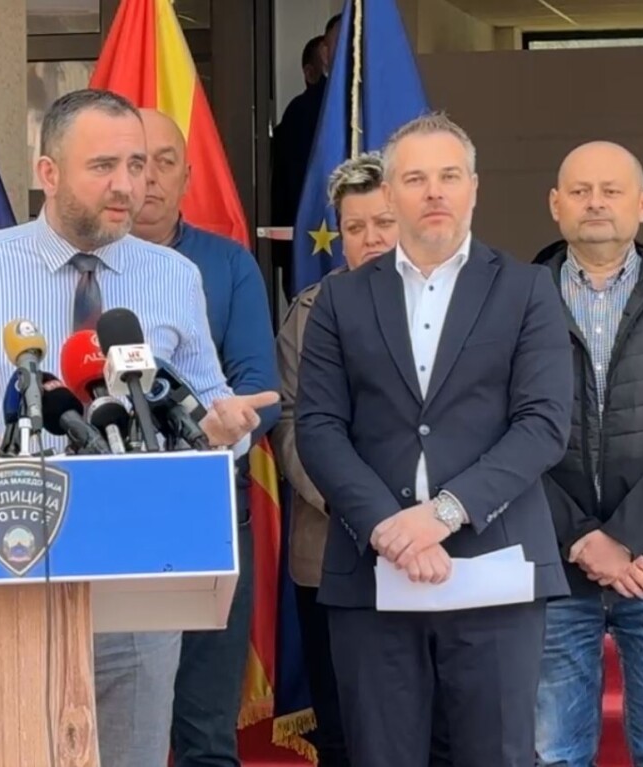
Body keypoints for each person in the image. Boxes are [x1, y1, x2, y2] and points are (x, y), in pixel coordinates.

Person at [0, 88, 276, 767]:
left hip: (135, 563)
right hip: (2, 568)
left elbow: (209, 405)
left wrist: (227, 429)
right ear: (48, 173)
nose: (128, 184)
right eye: (104, 166)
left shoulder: (175, 275)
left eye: (138, 164)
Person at [295, 112, 574, 766]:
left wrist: (442, 515)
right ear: (390, 194)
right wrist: (387, 527)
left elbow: (542, 424)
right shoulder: (339, 300)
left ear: (474, 187)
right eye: (416, 178)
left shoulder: (527, 289)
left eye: (449, 176)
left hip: (495, 569)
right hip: (373, 574)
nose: (434, 192)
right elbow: (319, 426)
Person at [533, 141, 643, 767]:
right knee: (553, 755)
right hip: (552, 560)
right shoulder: (514, 303)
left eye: (611, 190)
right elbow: (505, 433)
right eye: (580, 191)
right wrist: (582, 538)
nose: (596, 203)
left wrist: (625, 539)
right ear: (555, 205)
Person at [131, 108, 279, 767]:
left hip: (206, 504)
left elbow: (259, 390)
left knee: (204, 728)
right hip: (102, 512)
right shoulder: (78, 267)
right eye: (134, 162)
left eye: (164, 161)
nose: (148, 177)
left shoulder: (227, 265)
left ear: (188, 177)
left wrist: (214, 430)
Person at [272, 152, 395, 767]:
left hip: (430, 547)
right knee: (342, 725)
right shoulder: (309, 313)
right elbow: (288, 423)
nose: (371, 239)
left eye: (384, 223)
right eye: (355, 227)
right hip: (331, 546)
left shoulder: (452, 307)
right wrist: (354, 506)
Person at [271, 14, 343, 301]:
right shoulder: (303, 112)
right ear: (325, 53)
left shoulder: (382, 109)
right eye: (344, 42)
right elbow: (290, 189)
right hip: (317, 253)